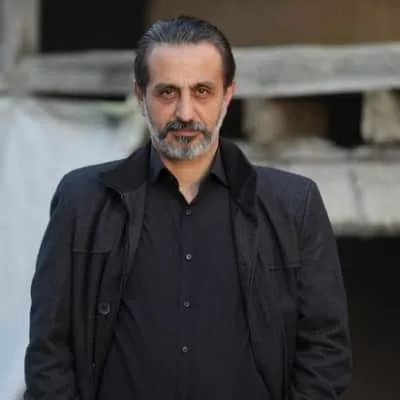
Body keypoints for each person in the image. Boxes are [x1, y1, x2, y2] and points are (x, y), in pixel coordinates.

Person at [24, 16, 351, 400]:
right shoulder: (83, 201)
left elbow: (325, 348)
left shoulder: (294, 205)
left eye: (202, 91)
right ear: (140, 95)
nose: (185, 112)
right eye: (167, 92)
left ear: (227, 95)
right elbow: (48, 348)